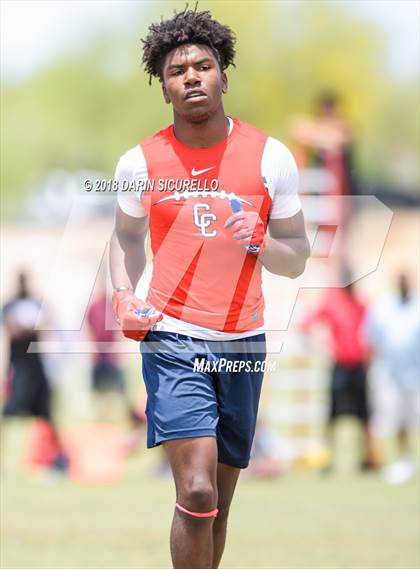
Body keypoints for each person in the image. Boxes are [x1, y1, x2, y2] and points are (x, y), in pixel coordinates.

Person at [109, 8, 309, 569]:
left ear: (224, 76)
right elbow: (124, 241)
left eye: (204, 66)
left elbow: (296, 260)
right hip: (174, 339)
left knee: (217, 504)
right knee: (195, 491)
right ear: (164, 87)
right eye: (178, 70)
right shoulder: (139, 163)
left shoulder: (271, 158)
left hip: (244, 341)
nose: (192, 76)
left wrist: (263, 242)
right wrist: (124, 295)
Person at [300, 278, 378, 472]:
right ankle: (327, 458)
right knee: (332, 415)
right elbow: (307, 322)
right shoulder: (332, 303)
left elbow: (372, 332)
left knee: (365, 414)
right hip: (341, 366)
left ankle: (369, 457)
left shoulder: (361, 304)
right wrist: (316, 345)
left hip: (359, 366)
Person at [2, 272, 67, 473]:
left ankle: (58, 459)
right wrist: (29, 329)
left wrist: (29, 329)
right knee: (7, 415)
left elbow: (48, 324)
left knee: (47, 415)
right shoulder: (10, 305)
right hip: (19, 368)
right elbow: (11, 328)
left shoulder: (38, 304)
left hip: (37, 368)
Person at [365, 273, 419, 484]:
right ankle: (393, 462)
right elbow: (372, 339)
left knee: (410, 421)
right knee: (389, 420)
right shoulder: (383, 306)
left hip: (414, 376)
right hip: (387, 375)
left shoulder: (417, 306)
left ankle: (406, 460)